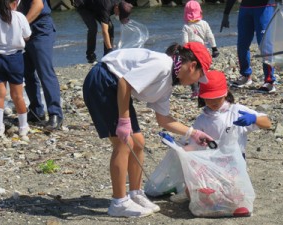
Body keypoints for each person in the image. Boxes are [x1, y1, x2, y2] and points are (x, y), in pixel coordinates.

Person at [82, 42, 215, 218]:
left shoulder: (168, 83)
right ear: (192, 66)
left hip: (116, 87)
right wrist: (123, 120)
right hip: (103, 80)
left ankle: (135, 194)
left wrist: (194, 133)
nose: (197, 82)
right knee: (124, 143)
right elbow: (124, 82)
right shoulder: (162, 64)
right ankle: (118, 203)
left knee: (138, 142)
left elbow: (164, 120)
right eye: (199, 76)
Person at [170, 70, 271, 204]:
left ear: (226, 92)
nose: (213, 102)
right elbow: (192, 145)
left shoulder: (236, 111)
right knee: (194, 192)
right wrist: (176, 145)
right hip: (210, 165)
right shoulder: (202, 119)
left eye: (217, 97)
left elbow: (267, 123)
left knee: (234, 196)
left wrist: (253, 119)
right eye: (208, 98)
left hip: (233, 165)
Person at [18, 0, 64, 130]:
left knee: (45, 71)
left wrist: (20, 26)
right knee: (27, 72)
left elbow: (38, 5)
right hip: (24, 29)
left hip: (39, 27)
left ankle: (55, 114)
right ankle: (36, 110)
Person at [220, 0, 277, 93]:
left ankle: (270, 81)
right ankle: (245, 75)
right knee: (242, 44)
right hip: (245, 8)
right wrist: (226, 13)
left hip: (264, 7)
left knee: (265, 44)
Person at [0, 0, 31, 138]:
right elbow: (27, 36)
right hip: (15, 58)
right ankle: (23, 126)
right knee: (18, 95)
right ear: (14, 3)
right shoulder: (19, 16)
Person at [182, 0, 219, 98]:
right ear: (199, 11)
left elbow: (185, 42)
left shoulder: (186, 26)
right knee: (202, 70)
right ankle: (202, 89)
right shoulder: (204, 23)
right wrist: (214, 48)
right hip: (202, 50)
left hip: (191, 51)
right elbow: (210, 36)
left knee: (191, 71)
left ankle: (195, 91)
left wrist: (182, 53)